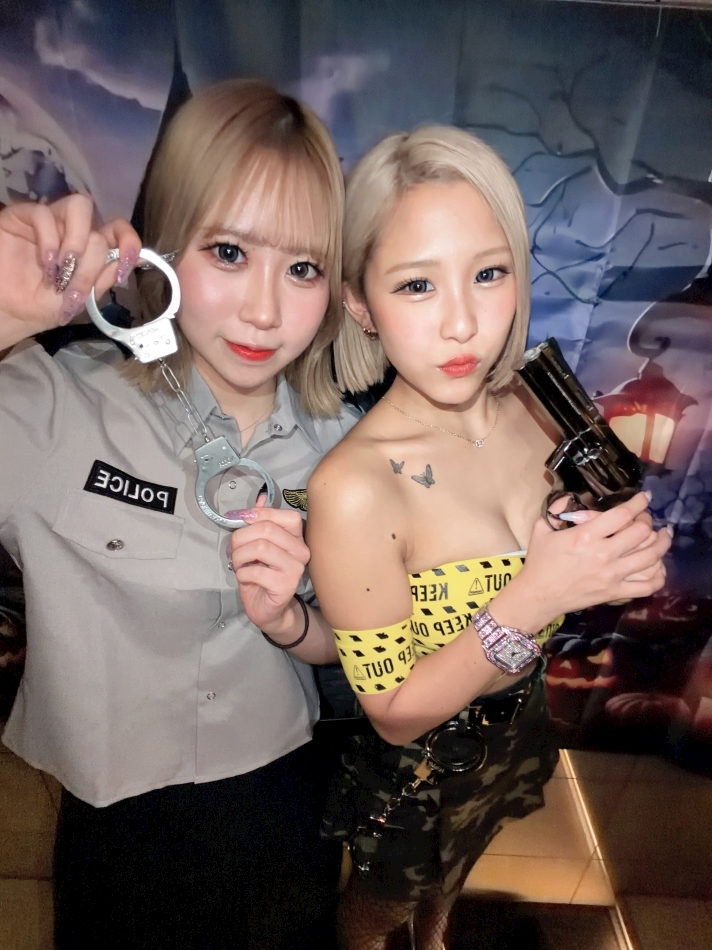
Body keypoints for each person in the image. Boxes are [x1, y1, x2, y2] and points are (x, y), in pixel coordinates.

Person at [0, 79, 359, 950]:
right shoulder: (54, 409)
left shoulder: (351, 450)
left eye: (303, 268)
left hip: (284, 810)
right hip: (117, 831)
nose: (265, 311)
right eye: (229, 252)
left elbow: (373, 640)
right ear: (161, 247)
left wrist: (297, 621)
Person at [306, 126, 671, 950]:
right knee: (376, 912)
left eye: (488, 273)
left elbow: (584, 563)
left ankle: (435, 936)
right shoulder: (353, 489)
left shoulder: (537, 411)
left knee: (457, 869)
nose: (464, 323)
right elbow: (394, 714)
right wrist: (538, 594)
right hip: (421, 770)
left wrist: (615, 562)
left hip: (514, 731)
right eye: (416, 285)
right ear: (360, 303)